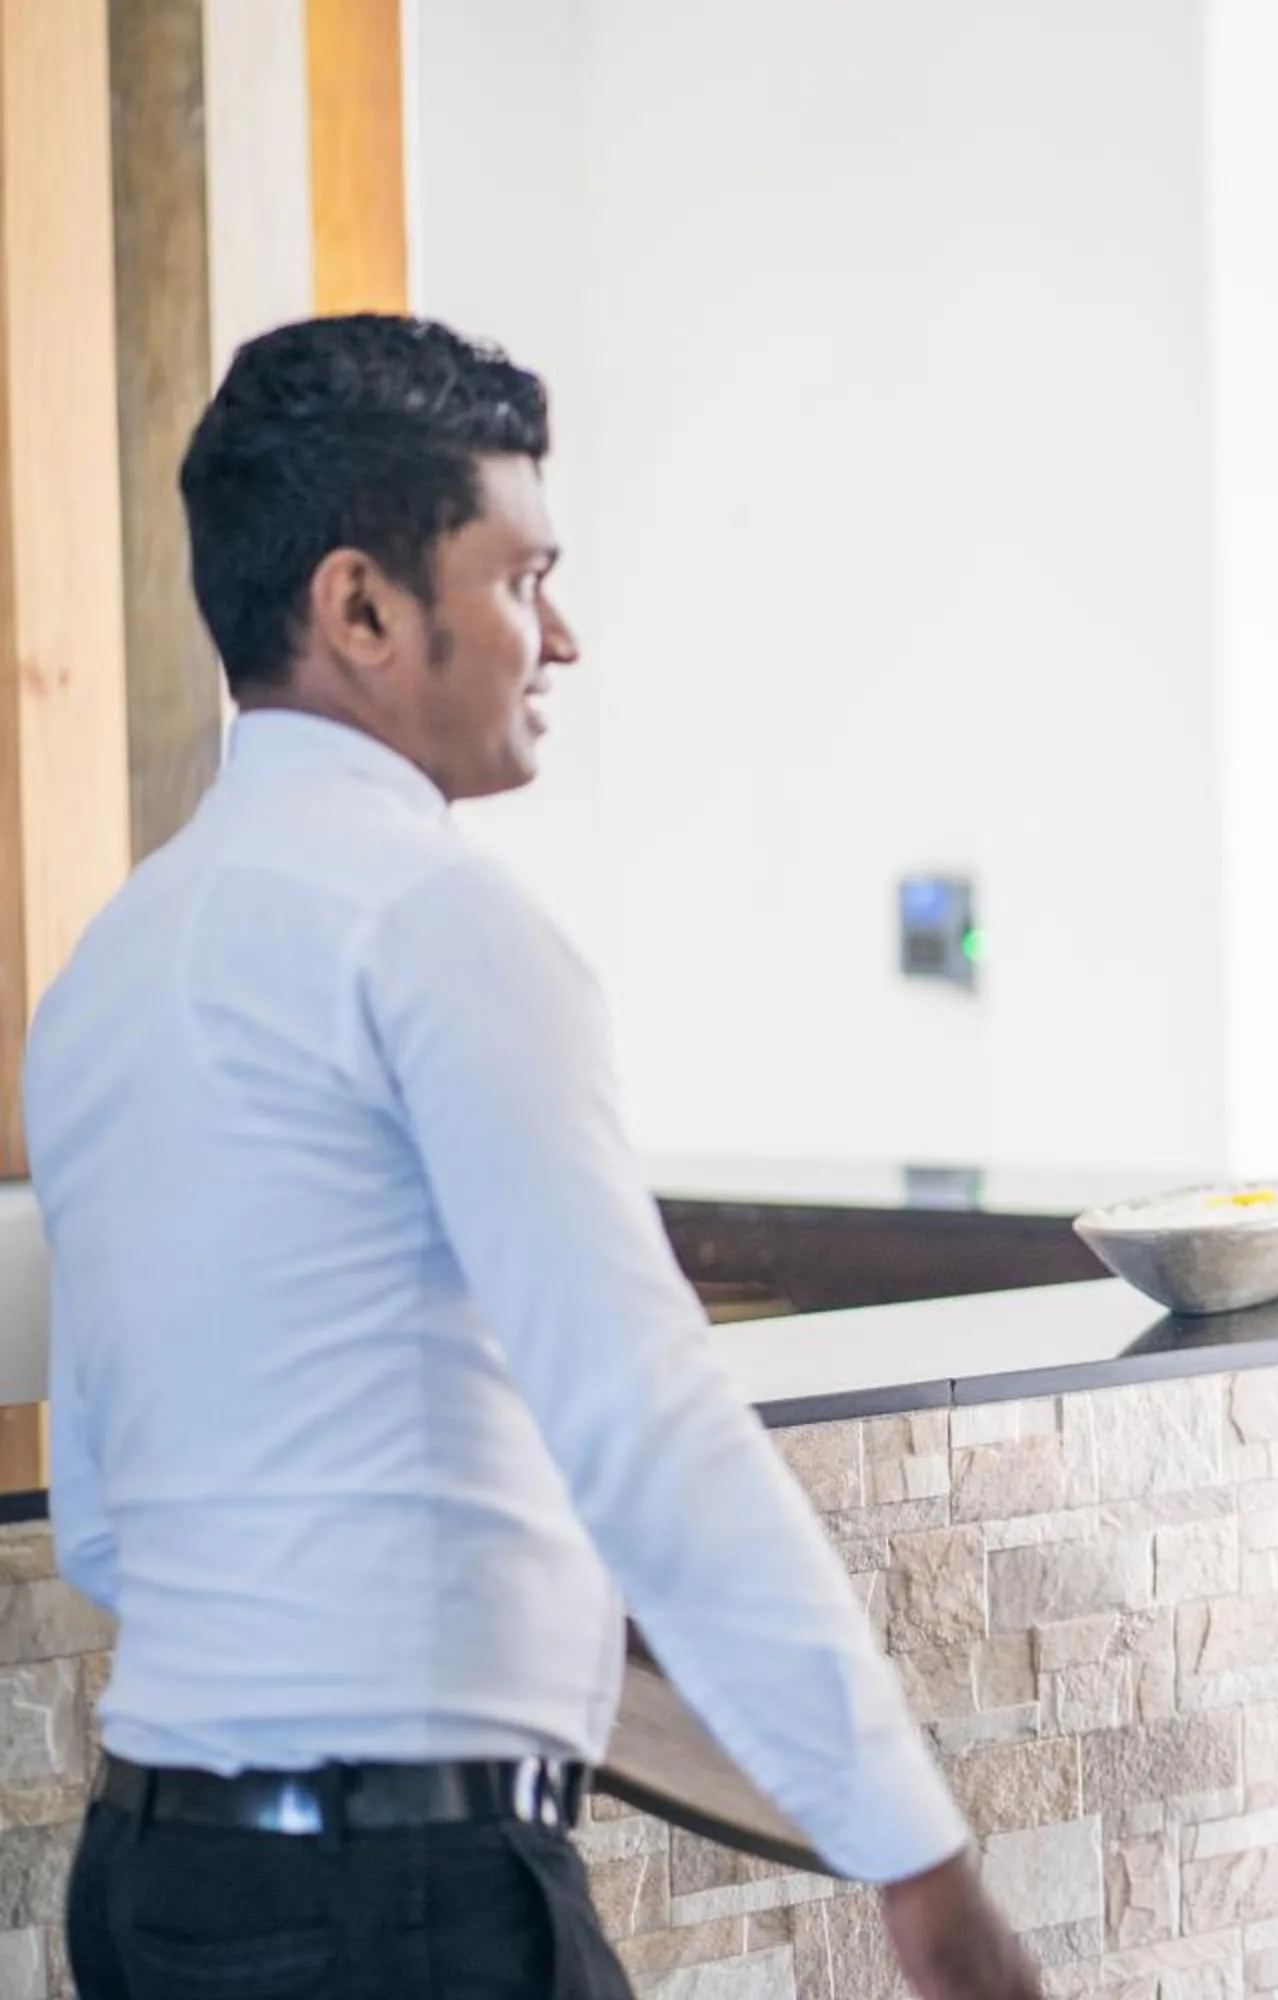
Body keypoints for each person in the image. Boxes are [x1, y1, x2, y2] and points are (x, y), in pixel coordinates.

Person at [28, 315, 1041, 1999]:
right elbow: (651, 1428)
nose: (560, 639)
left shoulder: (110, 968)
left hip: (153, 1888)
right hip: (398, 1911)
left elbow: (110, 1524)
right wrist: (923, 1867)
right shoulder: (439, 925)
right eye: (522, 579)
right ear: (361, 607)